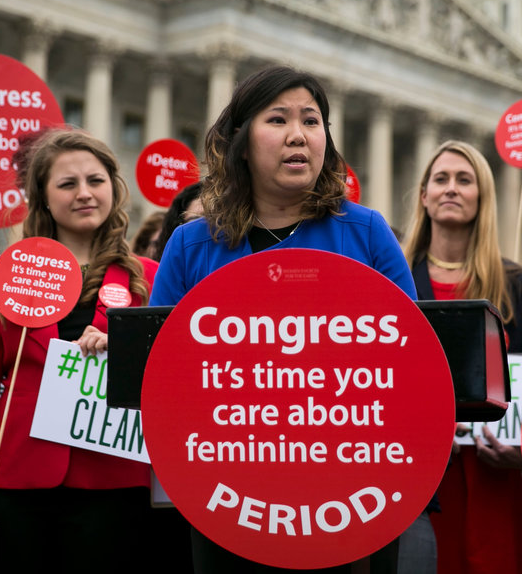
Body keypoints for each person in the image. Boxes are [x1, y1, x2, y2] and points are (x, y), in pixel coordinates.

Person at [150, 66, 415, 573]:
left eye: (312, 121)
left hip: (352, 498)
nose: (299, 135)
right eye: (278, 119)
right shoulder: (190, 244)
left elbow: (412, 361)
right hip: (228, 498)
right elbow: (160, 372)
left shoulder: (368, 233)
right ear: (242, 144)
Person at [0, 128, 158, 572]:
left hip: (114, 484)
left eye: (95, 181)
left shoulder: (150, 278)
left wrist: (123, 348)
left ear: (114, 189)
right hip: (20, 484)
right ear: (43, 198)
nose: (84, 194)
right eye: (67, 184)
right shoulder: (8, 277)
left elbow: (170, 381)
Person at [402, 139, 522, 574]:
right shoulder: (393, 283)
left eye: (464, 179)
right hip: (419, 485)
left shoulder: (515, 284)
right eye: (441, 179)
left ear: (482, 197)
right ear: (424, 195)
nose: (451, 188)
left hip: (498, 479)